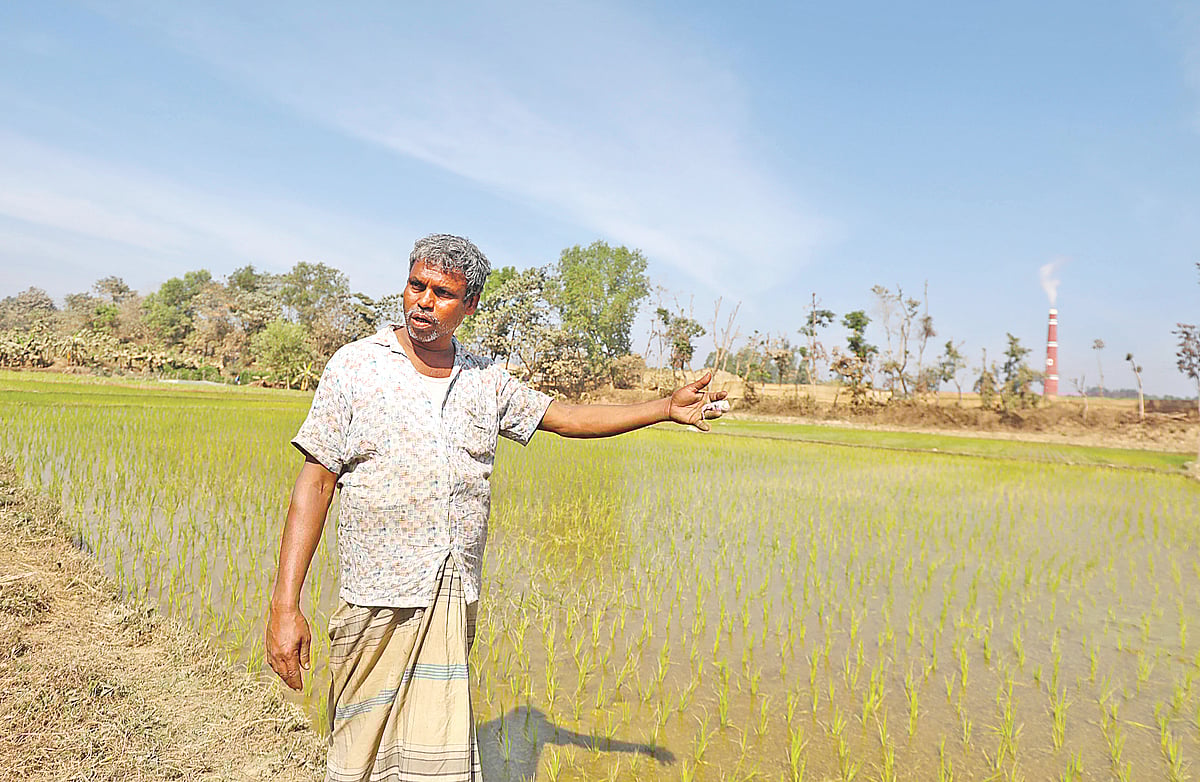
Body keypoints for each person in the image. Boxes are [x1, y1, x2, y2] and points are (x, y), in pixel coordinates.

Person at [265, 234, 726, 782]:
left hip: (451, 592)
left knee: (434, 759)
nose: (423, 302)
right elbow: (314, 484)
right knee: (358, 753)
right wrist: (284, 606)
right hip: (376, 597)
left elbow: (566, 418)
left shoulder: (486, 379)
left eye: (442, 292)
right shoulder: (356, 367)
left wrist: (662, 409)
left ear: (470, 306)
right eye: (417, 285)